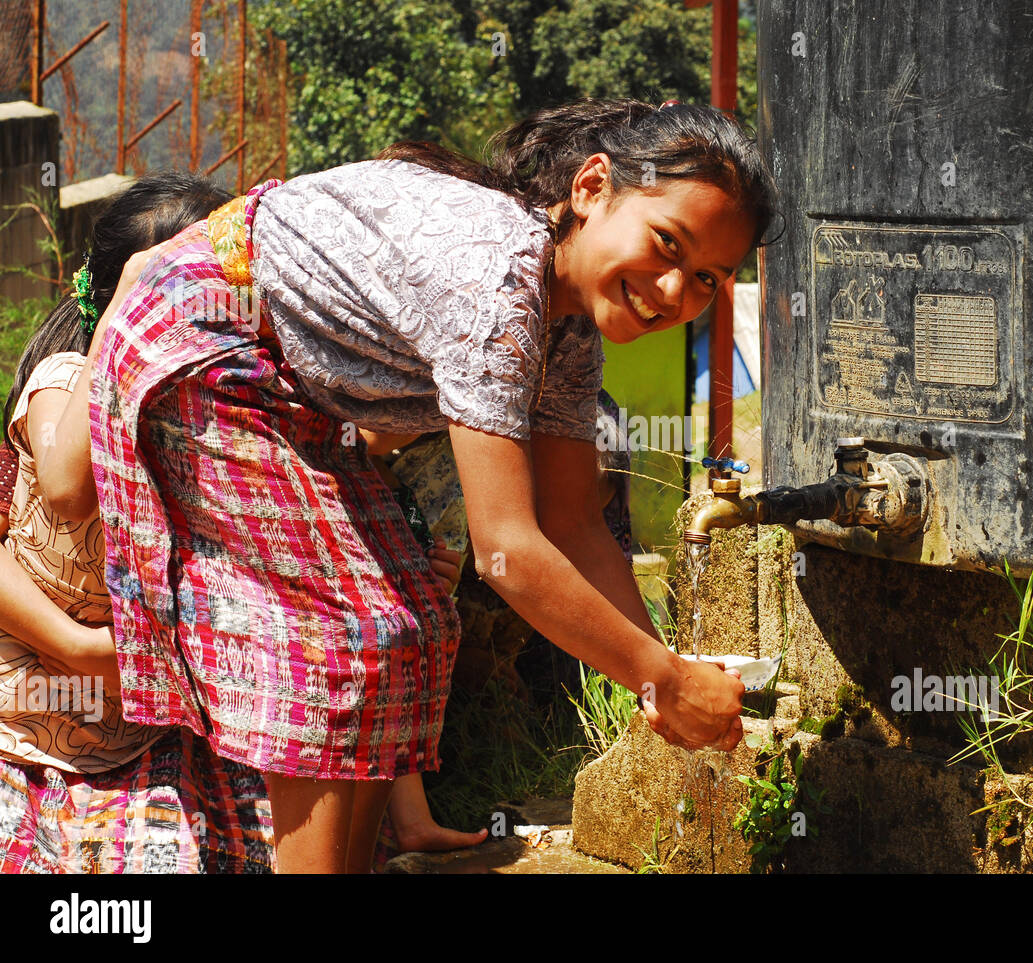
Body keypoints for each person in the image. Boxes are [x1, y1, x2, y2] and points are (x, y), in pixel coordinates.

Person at [73, 98, 777, 873]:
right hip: (204, 337)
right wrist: (664, 678)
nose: (675, 291)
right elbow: (506, 551)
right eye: (667, 244)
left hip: (292, 381)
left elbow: (574, 523)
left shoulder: (569, 330)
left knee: (413, 623)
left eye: (708, 278)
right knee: (343, 639)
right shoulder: (498, 285)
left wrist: (660, 671)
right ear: (591, 188)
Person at [0, 173, 276, 872]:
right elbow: (66, 490)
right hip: (22, 711)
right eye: (166, 295)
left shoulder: (212, 418)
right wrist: (81, 648)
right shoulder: (64, 382)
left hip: (139, 724)